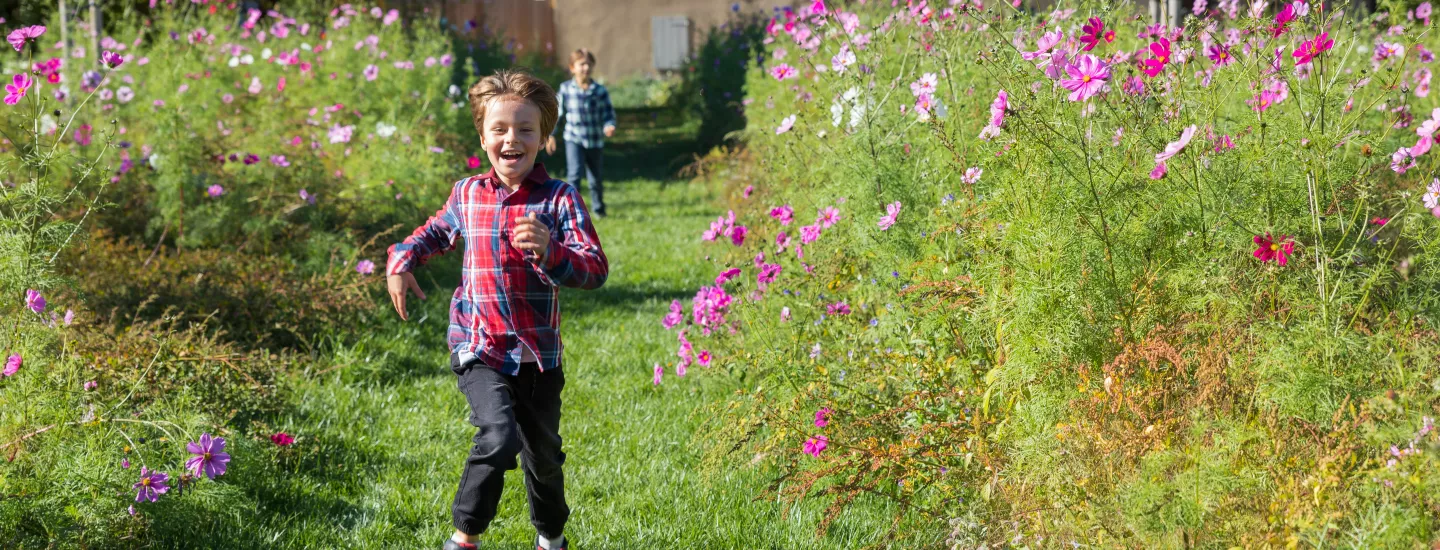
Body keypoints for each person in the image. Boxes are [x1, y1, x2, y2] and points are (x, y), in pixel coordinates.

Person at [386, 69, 609, 550]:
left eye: (526, 129)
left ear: (545, 138)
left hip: (539, 359)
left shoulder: (559, 199)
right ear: (483, 135)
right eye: (500, 129)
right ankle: (464, 538)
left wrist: (553, 251)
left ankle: (551, 538)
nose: (513, 139)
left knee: (544, 458)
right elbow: (431, 234)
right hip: (480, 346)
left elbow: (594, 269)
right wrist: (401, 260)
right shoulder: (468, 194)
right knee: (498, 436)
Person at [545, 48, 617, 217]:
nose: (586, 68)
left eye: (589, 64)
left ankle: (599, 210)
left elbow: (608, 114)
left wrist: (609, 125)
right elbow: (557, 114)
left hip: (594, 140)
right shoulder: (566, 89)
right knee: (574, 175)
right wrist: (551, 134)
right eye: (582, 64)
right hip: (573, 139)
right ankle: (572, 211)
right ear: (572, 68)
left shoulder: (599, 91)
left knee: (595, 178)